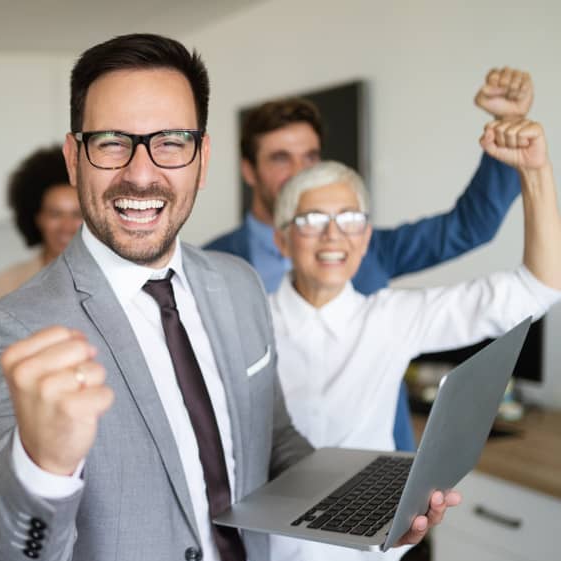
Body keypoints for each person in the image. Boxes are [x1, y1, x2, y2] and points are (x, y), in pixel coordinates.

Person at [0, 33, 456, 561]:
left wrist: (367, 504)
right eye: (111, 142)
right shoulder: (15, 330)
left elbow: (273, 439)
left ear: (201, 158)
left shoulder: (239, 284)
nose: (140, 174)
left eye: (170, 142)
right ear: (74, 156)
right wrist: (43, 469)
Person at [267, 116, 560, 561]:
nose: (334, 235)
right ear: (283, 238)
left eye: (350, 219)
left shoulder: (392, 318)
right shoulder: (245, 322)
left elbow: (537, 287)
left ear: (366, 236)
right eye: (312, 220)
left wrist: (536, 172)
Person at [204, 67, 533, 453]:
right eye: (280, 158)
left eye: (309, 156)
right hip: (264, 475)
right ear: (249, 171)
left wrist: (508, 128)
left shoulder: (368, 245)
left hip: (371, 472)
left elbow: (469, 226)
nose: (299, 172)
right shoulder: (212, 265)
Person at [0, 145, 82, 300]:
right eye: (55, 214)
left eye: (77, 214)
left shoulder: (114, 281)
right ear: (37, 218)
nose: (66, 226)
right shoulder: (5, 284)